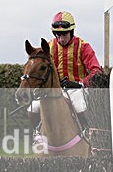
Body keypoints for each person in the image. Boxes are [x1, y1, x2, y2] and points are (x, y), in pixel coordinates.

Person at [28, 11, 101, 143]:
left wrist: (80, 83)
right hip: (54, 90)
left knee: (79, 106)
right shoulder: (48, 47)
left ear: (71, 32)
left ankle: (87, 134)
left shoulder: (84, 47)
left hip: (77, 90)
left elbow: (96, 71)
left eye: (64, 34)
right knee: (33, 108)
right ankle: (37, 133)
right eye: (58, 34)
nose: (61, 38)